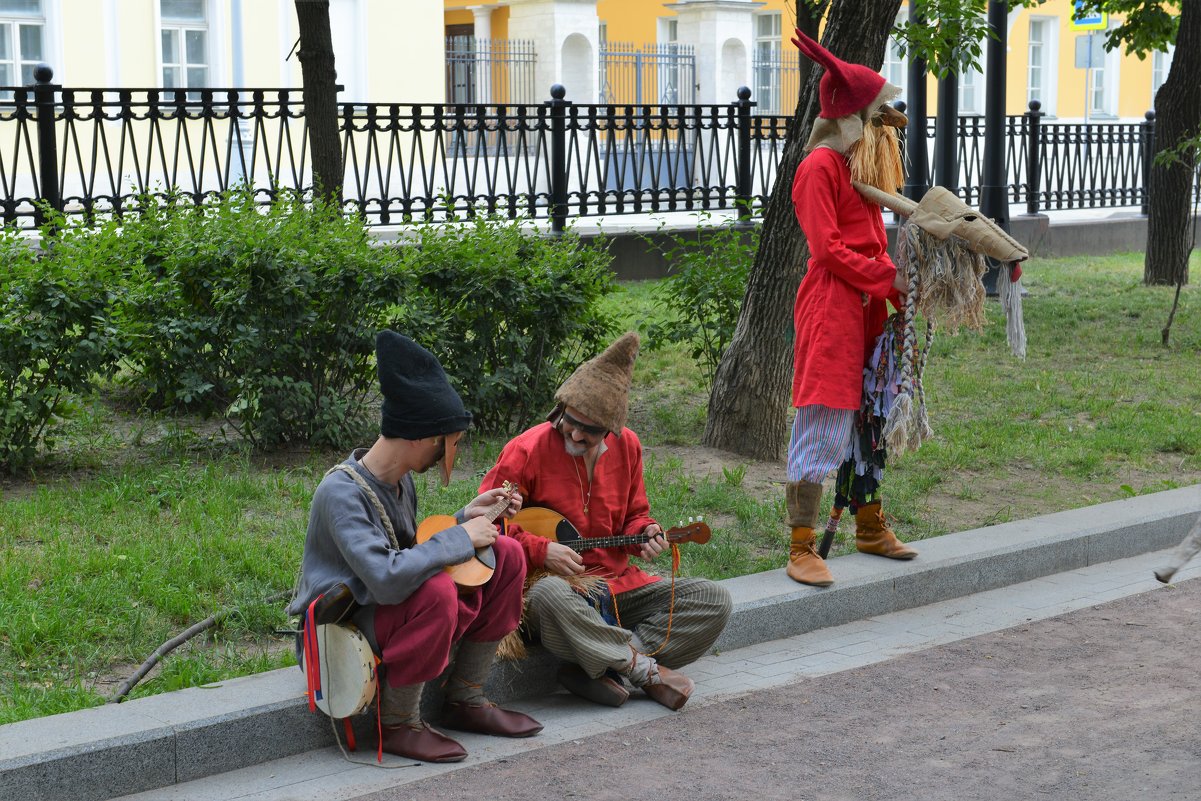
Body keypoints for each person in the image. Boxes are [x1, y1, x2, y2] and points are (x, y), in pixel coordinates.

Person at [287, 330, 541, 764]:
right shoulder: (340, 494)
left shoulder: (400, 481)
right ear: (422, 437)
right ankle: (400, 722)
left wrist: (468, 518)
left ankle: (466, 698)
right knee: (438, 591)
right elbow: (387, 579)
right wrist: (459, 537)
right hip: (341, 631)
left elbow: (408, 549)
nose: (451, 452)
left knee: (509, 556)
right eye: (450, 442)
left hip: (382, 609)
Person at [479, 332, 732, 710]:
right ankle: (643, 670)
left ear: (611, 428)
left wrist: (644, 534)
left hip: (614, 587)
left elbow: (634, 515)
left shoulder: (628, 446)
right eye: (570, 422)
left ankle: (599, 665)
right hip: (551, 591)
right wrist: (541, 549)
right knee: (550, 595)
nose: (576, 434)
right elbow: (486, 521)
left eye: (590, 430)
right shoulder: (527, 449)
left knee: (713, 599)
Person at [784, 29, 919, 588]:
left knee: (870, 419)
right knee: (824, 419)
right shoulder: (818, 168)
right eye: (874, 112)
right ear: (850, 117)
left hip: (865, 310)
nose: (882, 122)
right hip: (832, 310)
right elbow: (828, 250)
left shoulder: (853, 166)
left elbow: (870, 244)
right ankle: (800, 546)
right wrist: (890, 278)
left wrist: (898, 292)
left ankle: (867, 524)